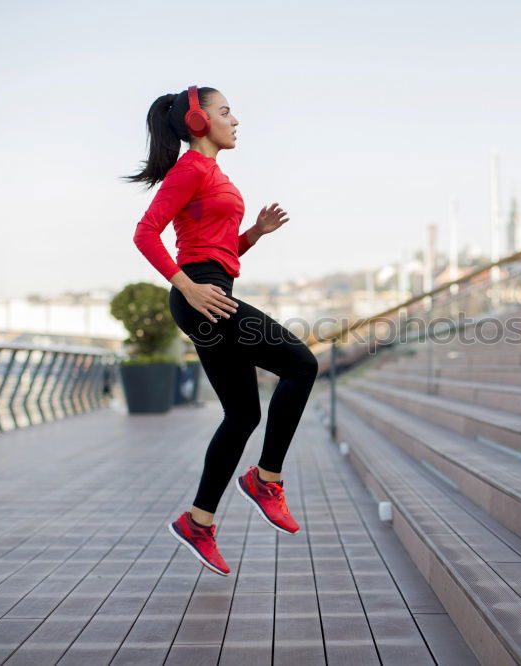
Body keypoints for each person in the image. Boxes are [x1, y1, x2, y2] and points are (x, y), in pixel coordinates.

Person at [124, 85, 319, 576]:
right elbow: (145, 232)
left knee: (241, 414)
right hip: (204, 296)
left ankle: (198, 521)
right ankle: (266, 479)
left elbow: (215, 248)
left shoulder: (211, 173)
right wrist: (186, 287)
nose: (236, 121)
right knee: (301, 364)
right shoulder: (191, 168)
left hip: (210, 293)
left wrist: (253, 234)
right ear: (197, 121)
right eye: (226, 112)